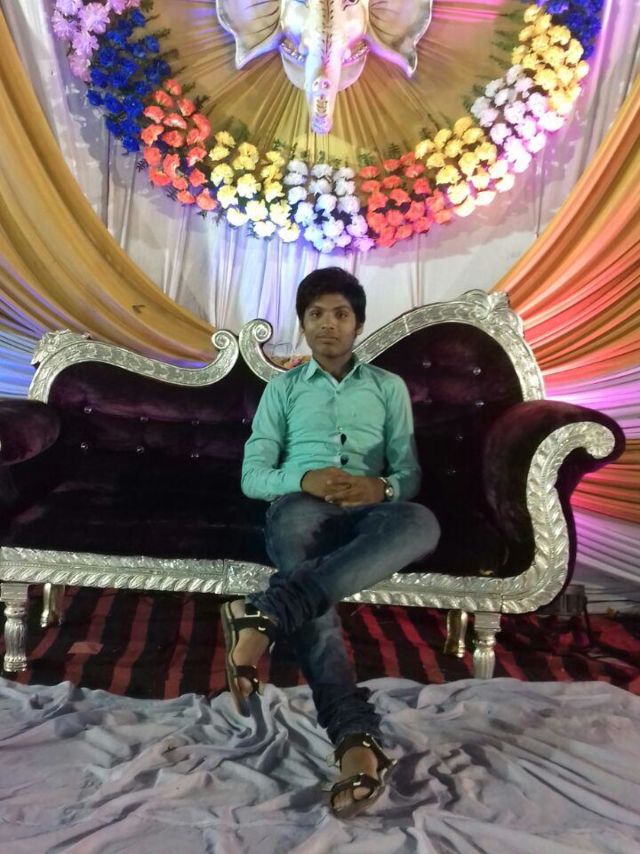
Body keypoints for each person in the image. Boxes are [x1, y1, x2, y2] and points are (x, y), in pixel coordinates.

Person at [223, 267, 440, 819]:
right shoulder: (283, 389)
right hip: (302, 507)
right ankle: (354, 739)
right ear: (303, 323)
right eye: (316, 314)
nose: (328, 324)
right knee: (303, 561)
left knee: (421, 523)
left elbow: (409, 472)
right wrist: (305, 479)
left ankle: (267, 614)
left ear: (358, 324)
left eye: (341, 314)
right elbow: (252, 475)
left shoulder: (388, 387)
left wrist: (380, 487)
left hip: (371, 510)